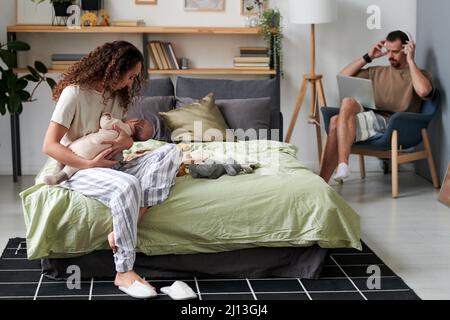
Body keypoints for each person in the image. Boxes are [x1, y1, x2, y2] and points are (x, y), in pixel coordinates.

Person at [42, 41, 183, 299]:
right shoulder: (74, 94)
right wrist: (88, 163)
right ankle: (124, 270)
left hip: (115, 164)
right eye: (129, 76)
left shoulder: (117, 97)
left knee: (171, 151)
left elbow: (123, 136)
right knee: (127, 186)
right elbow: (49, 146)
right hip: (80, 168)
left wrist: (128, 142)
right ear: (113, 69)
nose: (130, 83)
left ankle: (129, 222)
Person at [320, 30, 434, 183]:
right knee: (347, 102)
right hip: (372, 117)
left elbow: (424, 90)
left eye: (395, 52)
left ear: (406, 49)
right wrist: (368, 57)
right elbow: (342, 76)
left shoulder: (418, 74)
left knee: (335, 122)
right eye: (388, 51)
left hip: (396, 124)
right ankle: (342, 165)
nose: (390, 56)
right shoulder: (377, 72)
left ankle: (322, 182)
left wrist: (411, 61)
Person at [44, 113, 154, 185]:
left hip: (84, 145)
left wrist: (106, 115)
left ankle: (59, 167)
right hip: (94, 156)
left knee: (68, 149)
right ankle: (61, 176)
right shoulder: (123, 142)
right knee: (73, 168)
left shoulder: (119, 125)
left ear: (134, 120)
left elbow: (105, 123)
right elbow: (117, 157)